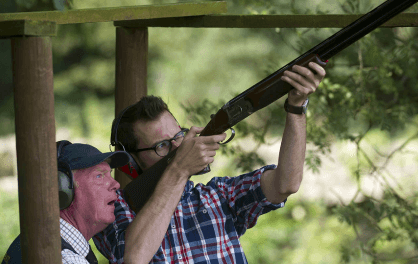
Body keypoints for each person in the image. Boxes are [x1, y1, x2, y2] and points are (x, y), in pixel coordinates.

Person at [93, 62, 326, 263]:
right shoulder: (112, 210)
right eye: (162, 145)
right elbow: (134, 258)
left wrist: (296, 108)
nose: (178, 147)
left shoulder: (217, 195)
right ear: (130, 162)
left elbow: (286, 184)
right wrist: (180, 169)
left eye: (178, 137)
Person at [2, 141, 130, 264]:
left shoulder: (37, 238)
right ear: (62, 188)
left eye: (110, 174)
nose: (116, 184)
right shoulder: (66, 259)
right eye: (99, 176)